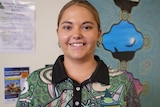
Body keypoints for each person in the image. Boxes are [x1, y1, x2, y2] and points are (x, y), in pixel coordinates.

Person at [16, 0, 141, 107]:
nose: (76, 35)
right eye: (67, 27)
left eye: (86, 27)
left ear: (98, 33)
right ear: (58, 33)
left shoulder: (122, 82)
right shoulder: (34, 82)